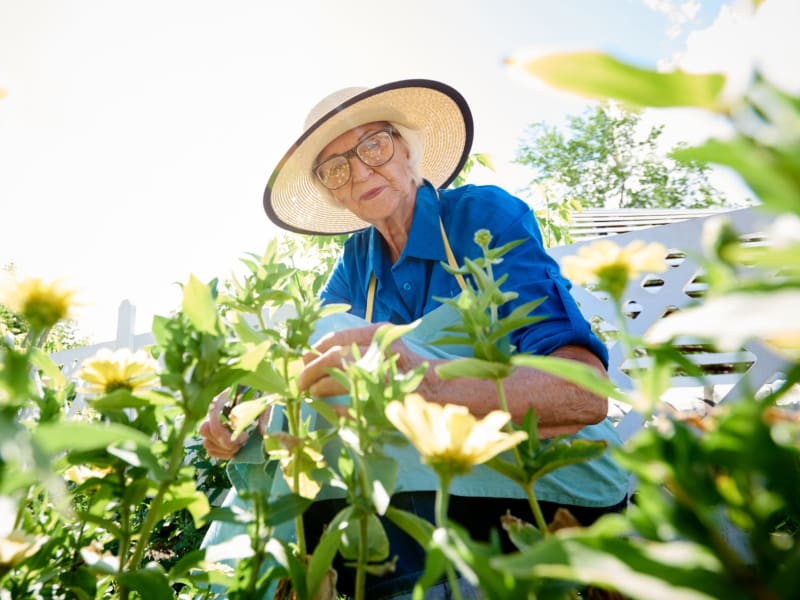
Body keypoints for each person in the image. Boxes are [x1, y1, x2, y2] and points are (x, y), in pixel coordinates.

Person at [200, 79, 629, 599]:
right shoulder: (359, 262)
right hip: (435, 484)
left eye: (373, 145)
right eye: (336, 168)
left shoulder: (484, 216)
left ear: (408, 149)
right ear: (333, 193)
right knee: (319, 369)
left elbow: (585, 393)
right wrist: (246, 409)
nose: (359, 171)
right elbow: (309, 365)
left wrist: (426, 384)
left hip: (548, 473)